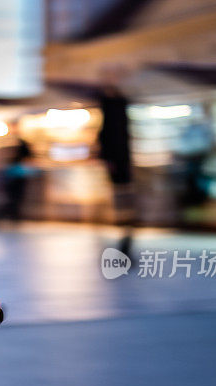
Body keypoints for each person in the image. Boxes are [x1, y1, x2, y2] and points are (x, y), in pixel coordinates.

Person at [97, 72, 135, 257]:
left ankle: (126, 234)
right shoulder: (116, 115)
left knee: (123, 202)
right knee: (123, 202)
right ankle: (126, 234)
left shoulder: (113, 117)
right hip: (122, 163)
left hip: (121, 164)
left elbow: (107, 135)